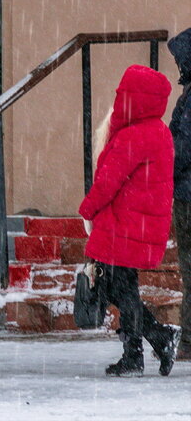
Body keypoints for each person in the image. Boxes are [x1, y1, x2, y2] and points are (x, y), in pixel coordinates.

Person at [78, 64, 179, 377]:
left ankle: (137, 354)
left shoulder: (132, 136)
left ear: (134, 99)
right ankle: (159, 340)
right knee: (120, 289)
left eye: (122, 94)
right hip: (139, 226)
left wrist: (87, 209)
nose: (118, 99)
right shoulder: (159, 131)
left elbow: (107, 183)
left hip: (124, 227)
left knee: (120, 290)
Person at [168, 28, 191, 362]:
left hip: (188, 197)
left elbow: (182, 149)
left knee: (190, 265)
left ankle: (188, 342)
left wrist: (162, 167)